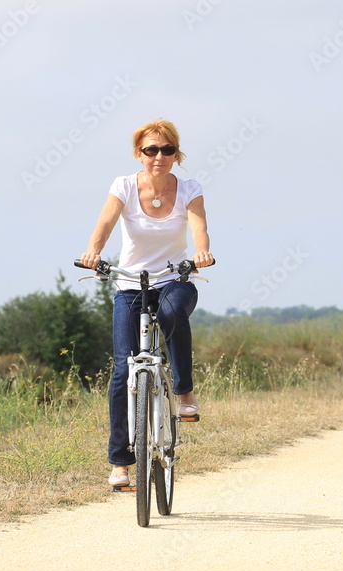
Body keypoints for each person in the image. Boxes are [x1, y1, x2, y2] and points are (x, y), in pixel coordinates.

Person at [79, 119, 214, 487]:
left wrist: (202, 252)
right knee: (124, 371)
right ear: (139, 154)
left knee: (172, 312)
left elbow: (199, 227)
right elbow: (105, 224)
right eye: (151, 150)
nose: (159, 156)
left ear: (176, 154)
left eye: (167, 149)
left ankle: (184, 391)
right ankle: (120, 464)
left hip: (174, 280)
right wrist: (93, 251)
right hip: (130, 286)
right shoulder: (123, 185)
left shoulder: (189, 188)